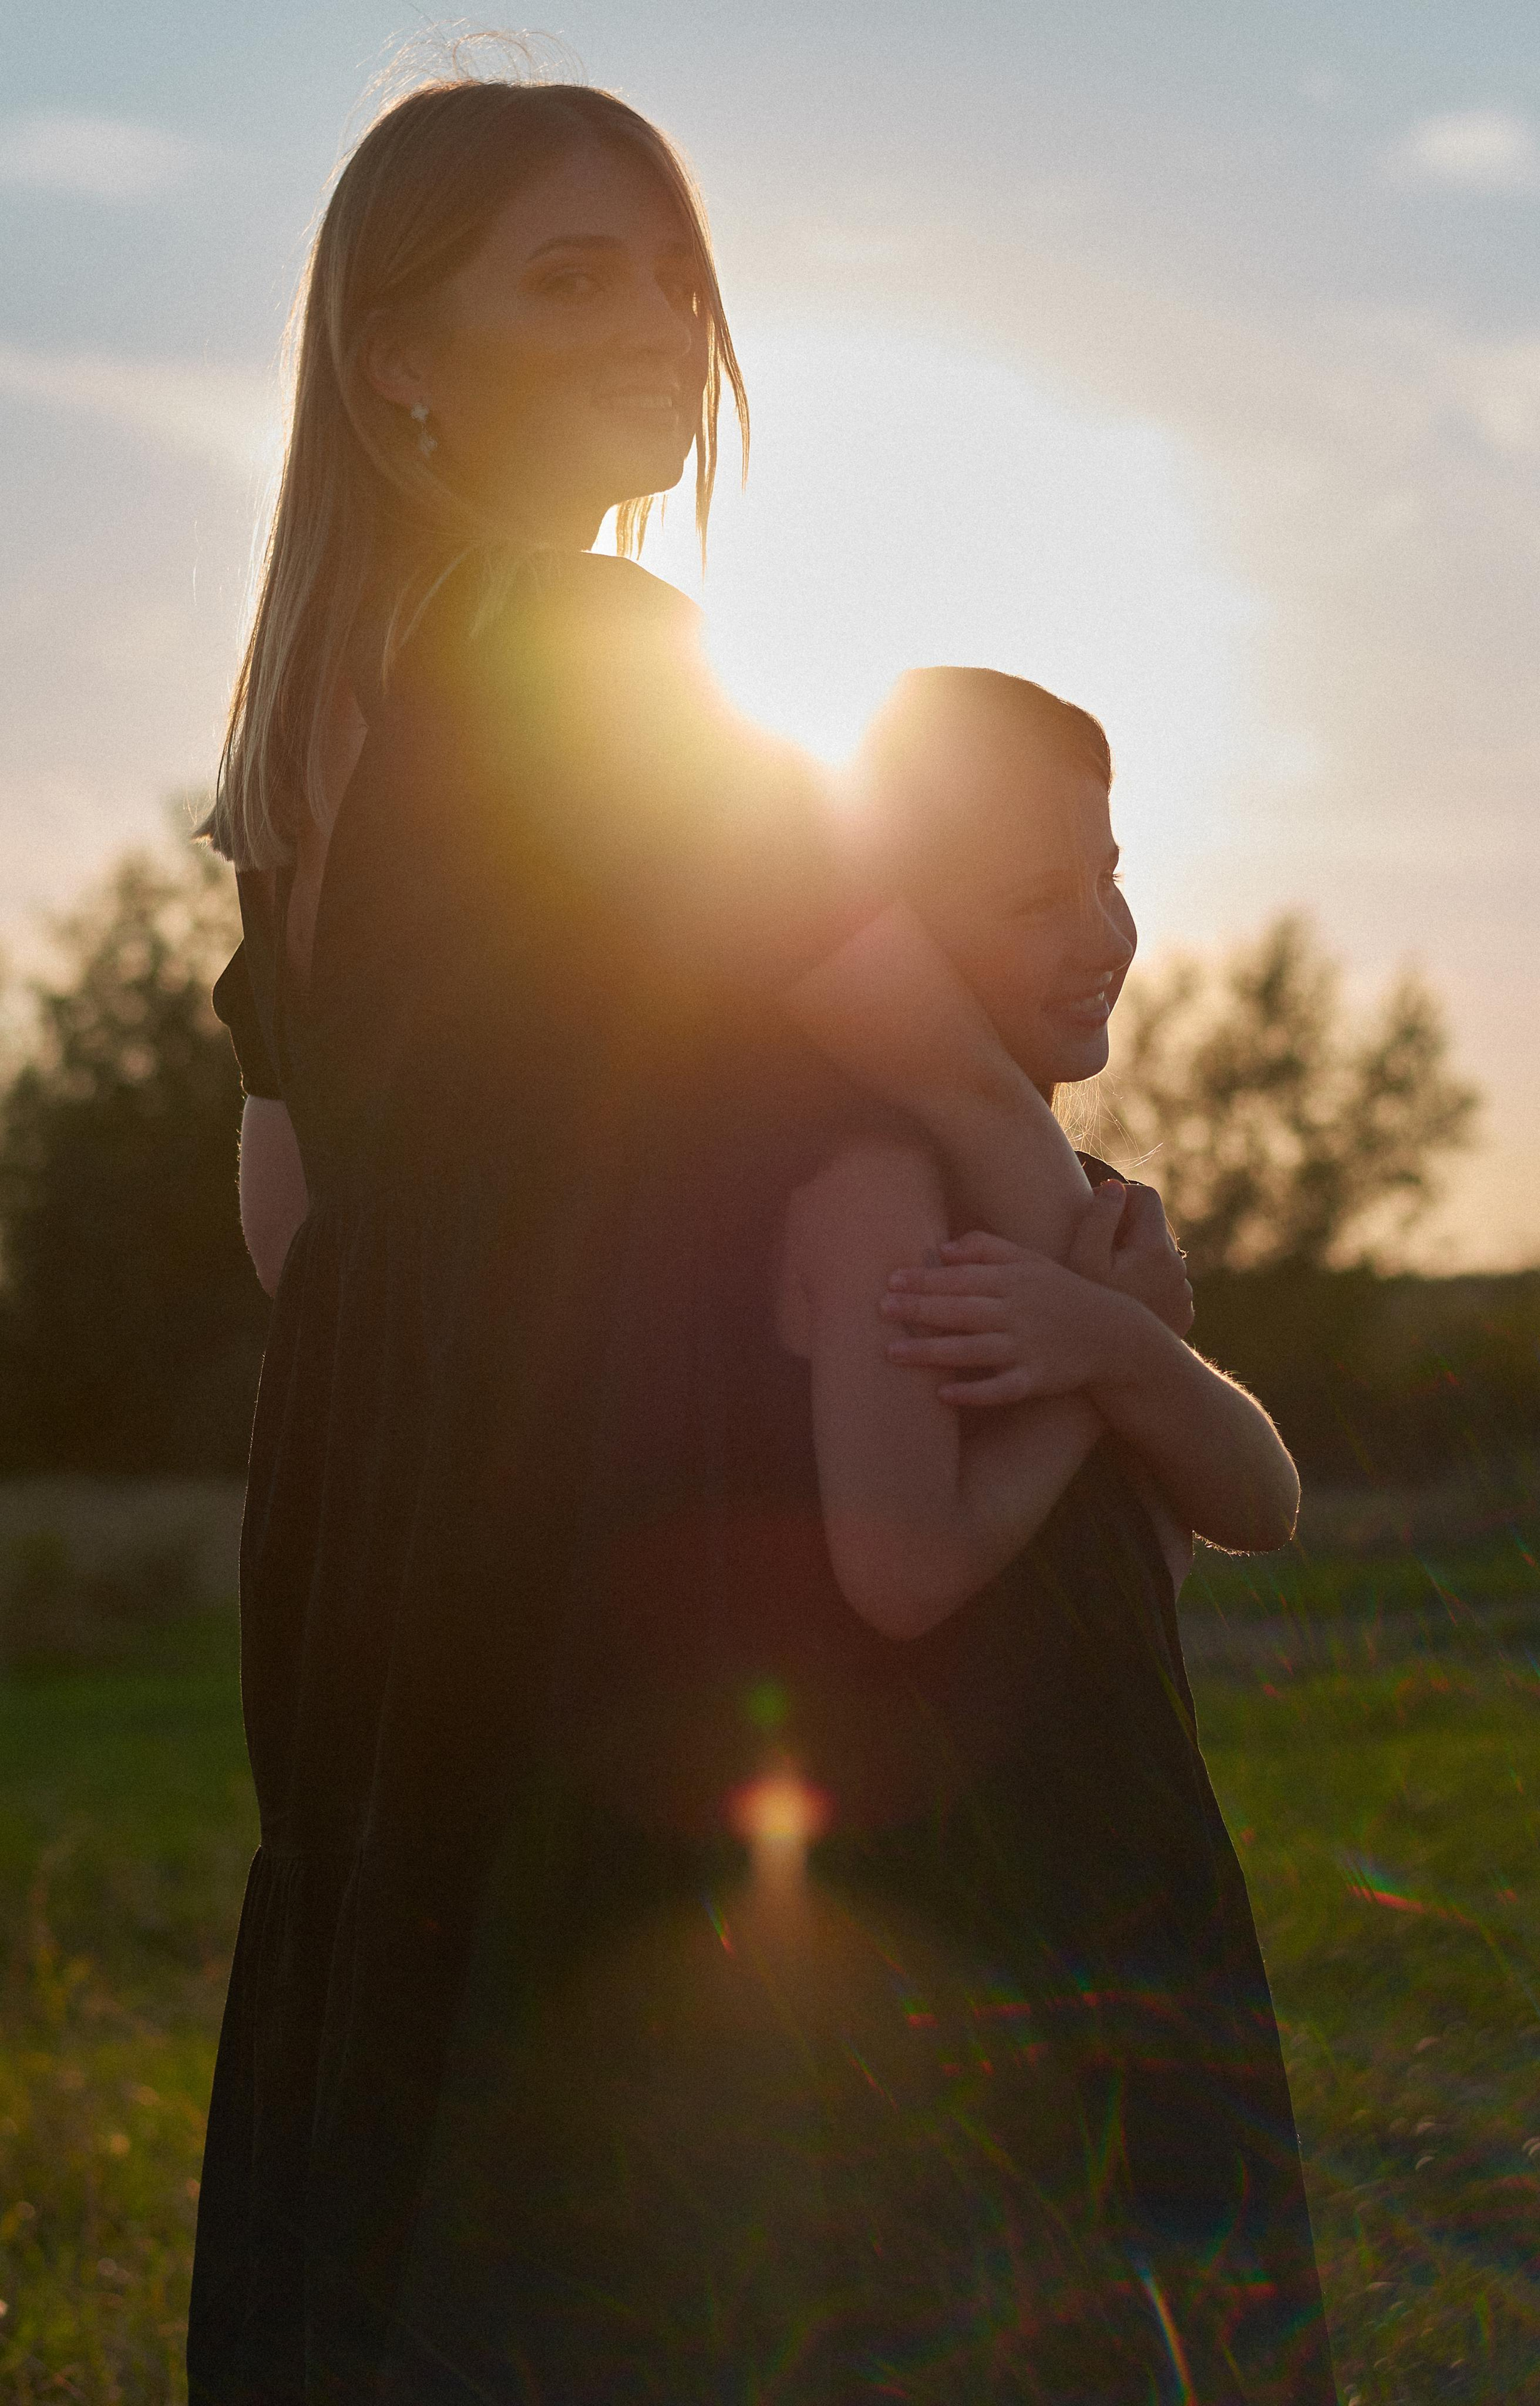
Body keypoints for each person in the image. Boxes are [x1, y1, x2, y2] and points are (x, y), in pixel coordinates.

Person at [190, 71, 1110, 2405]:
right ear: (396, 353)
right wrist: (1077, 1277)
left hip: (389, 1514)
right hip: (640, 1489)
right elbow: (930, 1070)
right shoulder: (598, 649)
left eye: (674, 268)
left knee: (447, 2085)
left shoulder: (311, 730)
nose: (657, 319)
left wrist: (452, 1370)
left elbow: (289, 1223)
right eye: (571, 271)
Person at [377, 677, 1337, 2400]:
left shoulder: (1070, 1206)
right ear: (886, 938)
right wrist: (1094, 1364)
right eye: (1034, 901)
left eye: (1110, 872)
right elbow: (905, 1567)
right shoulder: (871, 1189)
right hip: (983, 1904)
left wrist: (1129, 1349)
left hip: (1131, 1862)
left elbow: (1251, 1509)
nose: (1102, 931)